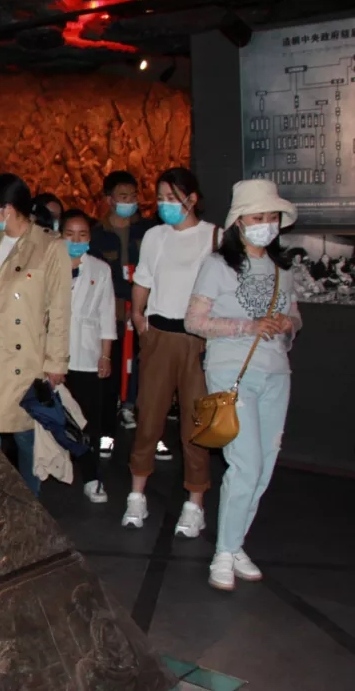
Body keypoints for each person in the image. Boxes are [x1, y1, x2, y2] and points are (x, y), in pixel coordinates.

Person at [185, 179, 301, 591]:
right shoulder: (218, 265)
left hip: (276, 373)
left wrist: (287, 323)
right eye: (257, 217)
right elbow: (194, 321)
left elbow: (295, 317)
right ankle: (223, 552)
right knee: (245, 463)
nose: (266, 224)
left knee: (264, 464)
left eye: (272, 217)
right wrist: (247, 326)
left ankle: (235, 545)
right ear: (239, 222)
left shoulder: (283, 268)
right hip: (232, 371)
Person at [123, 168, 218, 535]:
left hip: (198, 339)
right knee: (148, 417)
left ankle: (195, 503)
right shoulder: (155, 236)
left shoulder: (214, 236)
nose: (164, 205)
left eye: (171, 198)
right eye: (160, 198)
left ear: (191, 199)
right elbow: (143, 279)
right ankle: (137, 495)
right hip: (159, 334)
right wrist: (137, 315)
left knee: (196, 424)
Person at [0, 174, 71, 496]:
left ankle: (30, 503)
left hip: (25, 358)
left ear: (7, 209)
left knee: (27, 435)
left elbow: (60, 309)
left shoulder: (49, 246)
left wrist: (56, 362)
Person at [91, 171, 152, 433]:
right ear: (109, 200)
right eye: (123, 196)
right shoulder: (97, 234)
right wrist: (127, 296)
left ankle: (133, 406)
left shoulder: (148, 231)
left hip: (145, 306)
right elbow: (101, 274)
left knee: (142, 362)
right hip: (112, 308)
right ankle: (110, 412)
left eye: (133, 196)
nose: (129, 201)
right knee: (113, 361)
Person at [62, 209, 116, 503]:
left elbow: (107, 314)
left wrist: (105, 356)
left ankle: (92, 476)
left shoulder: (100, 268)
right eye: (70, 234)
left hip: (87, 354)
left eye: (82, 234)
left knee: (87, 420)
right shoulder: (48, 264)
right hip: (53, 354)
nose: (76, 240)